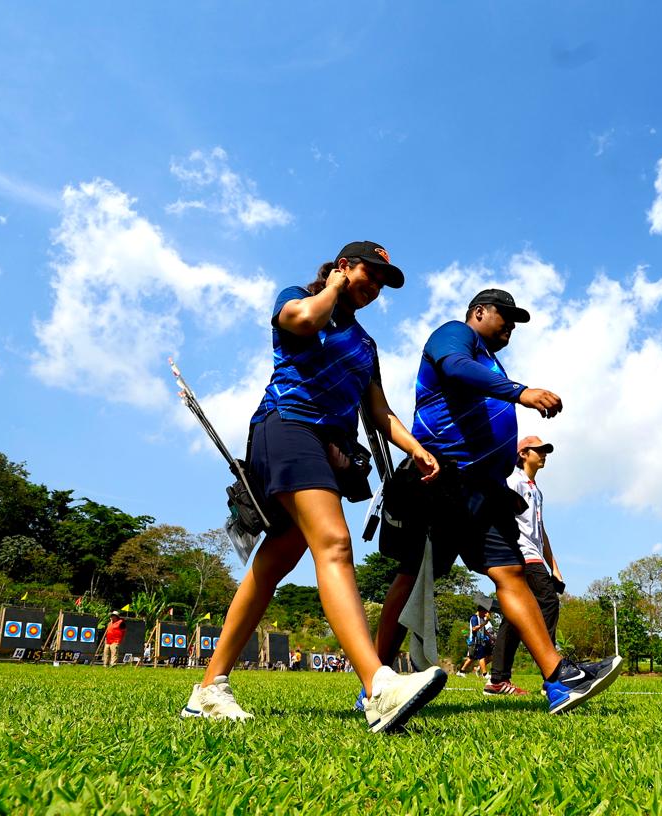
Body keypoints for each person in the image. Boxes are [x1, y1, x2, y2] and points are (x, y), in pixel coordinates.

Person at [181, 241, 446, 731]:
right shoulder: (299, 297)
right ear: (344, 267)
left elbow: (379, 411)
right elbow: (302, 322)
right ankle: (378, 686)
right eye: (368, 275)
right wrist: (333, 287)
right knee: (335, 542)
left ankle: (209, 689)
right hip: (287, 426)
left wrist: (415, 447)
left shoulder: (365, 345)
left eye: (383, 284)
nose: (375, 288)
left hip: (328, 449)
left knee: (276, 561)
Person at [372, 289, 623, 715]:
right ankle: (375, 685)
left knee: (510, 572)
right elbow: (455, 368)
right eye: (504, 316)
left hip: (485, 489)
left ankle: (558, 678)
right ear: (478, 312)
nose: (510, 326)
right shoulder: (455, 335)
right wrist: (521, 393)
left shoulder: (490, 360)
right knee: (413, 578)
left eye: (514, 321)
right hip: (440, 477)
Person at [486, 436, 564, 696]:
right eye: (538, 450)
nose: (543, 454)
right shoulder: (514, 481)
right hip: (521, 554)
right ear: (522, 454)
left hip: (534, 555)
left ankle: (497, 680)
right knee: (548, 603)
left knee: (514, 615)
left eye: (545, 450)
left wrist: (554, 566)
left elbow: (540, 530)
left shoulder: (536, 490)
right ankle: (552, 673)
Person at [458, 605, 494, 678]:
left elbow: (484, 630)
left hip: (480, 640)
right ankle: (485, 674)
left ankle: (461, 671)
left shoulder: (482, 618)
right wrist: (485, 623)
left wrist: (491, 637)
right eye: (485, 612)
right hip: (474, 641)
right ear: (481, 611)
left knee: (471, 658)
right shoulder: (474, 618)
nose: (485, 614)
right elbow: (474, 629)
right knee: (481, 657)